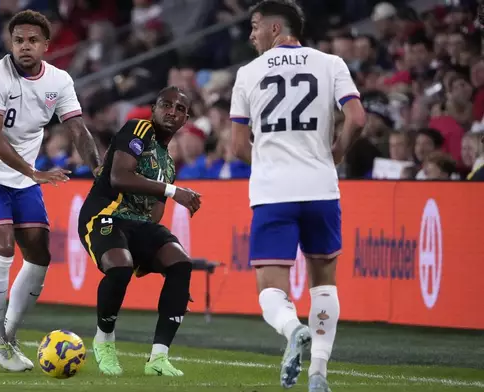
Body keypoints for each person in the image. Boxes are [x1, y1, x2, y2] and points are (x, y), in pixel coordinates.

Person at [229, 1, 366, 391]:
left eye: (255, 26)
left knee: (271, 287)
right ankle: (319, 372)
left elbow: (239, 146)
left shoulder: (248, 73)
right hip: (321, 187)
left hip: (273, 192)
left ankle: (292, 329)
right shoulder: (331, 63)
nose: (251, 35)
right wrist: (335, 153)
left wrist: (270, 164)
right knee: (324, 284)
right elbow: (357, 118)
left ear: (275, 29)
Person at [0, 10, 101, 372]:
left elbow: (78, 130)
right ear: (11, 42)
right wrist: (34, 171)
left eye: (32, 41)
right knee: (3, 249)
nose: (25, 46)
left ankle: (8, 332)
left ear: (45, 46)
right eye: (18, 40)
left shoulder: (59, 80)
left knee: (39, 254)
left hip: (23, 178)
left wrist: (98, 168)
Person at [78, 86, 201, 377]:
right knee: (120, 266)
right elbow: (119, 177)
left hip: (136, 224)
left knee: (180, 263)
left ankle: (158, 358)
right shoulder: (139, 128)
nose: (172, 112)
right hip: (104, 215)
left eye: (180, 109)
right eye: (166, 105)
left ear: (186, 118)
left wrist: (152, 257)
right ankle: (104, 340)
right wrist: (174, 191)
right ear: (154, 108)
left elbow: (153, 217)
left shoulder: (168, 163)